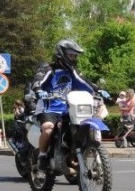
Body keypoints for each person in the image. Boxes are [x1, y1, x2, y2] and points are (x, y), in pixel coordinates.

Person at [32, 39, 100, 169]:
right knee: (48, 128)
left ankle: (74, 152)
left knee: (83, 125)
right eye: (71, 55)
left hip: (68, 108)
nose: (73, 58)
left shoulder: (73, 71)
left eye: (75, 55)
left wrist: (98, 90)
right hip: (49, 107)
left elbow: (85, 82)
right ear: (61, 53)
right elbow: (38, 80)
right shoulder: (48, 68)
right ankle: (42, 155)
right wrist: (38, 90)